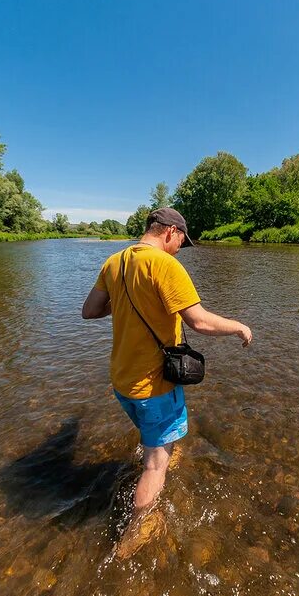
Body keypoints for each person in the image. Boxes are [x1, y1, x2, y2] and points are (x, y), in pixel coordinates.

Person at [81, 207, 252, 543]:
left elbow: (90, 311)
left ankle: (154, 451)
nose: (179, 250)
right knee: (156, 465)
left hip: (122, 381)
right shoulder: (165, 264)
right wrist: (239, 327)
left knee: (155, 441)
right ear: (170, 231)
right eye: (180, 243)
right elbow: (199, 322)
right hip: (154, 384)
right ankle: (137, 530)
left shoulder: (114, 263)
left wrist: (129, 298)